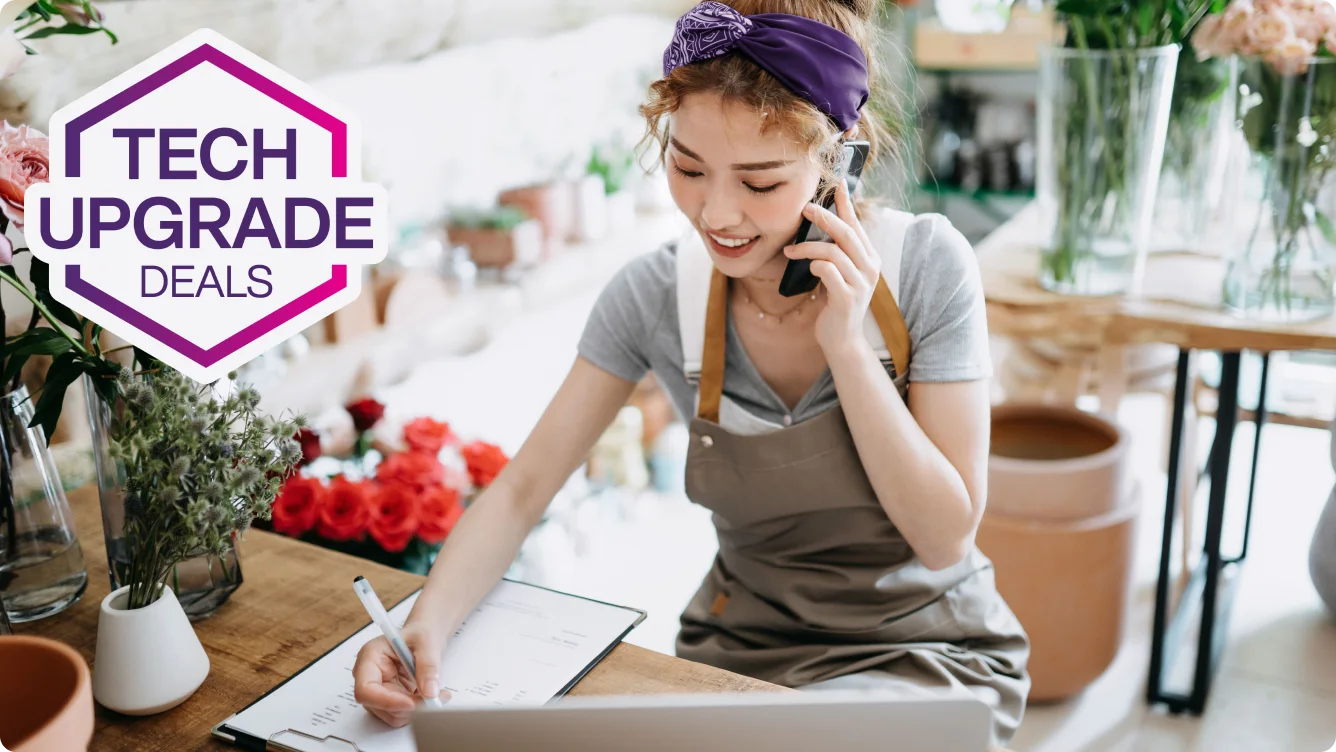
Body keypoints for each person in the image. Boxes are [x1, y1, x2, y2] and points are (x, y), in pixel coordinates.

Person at [352, 0, 1030, 746]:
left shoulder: (927, 267)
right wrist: (425, 625)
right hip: (741, 667)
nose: (717, 214)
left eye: (761, 183)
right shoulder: (652, 296)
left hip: (924, 659)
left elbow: (943, 538)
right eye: (688, 167)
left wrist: (847, 345)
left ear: (841, 158)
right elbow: (519, 491)